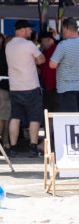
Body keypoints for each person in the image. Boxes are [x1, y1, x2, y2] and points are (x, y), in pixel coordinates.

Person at [6, 20, 45, 157]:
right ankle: (33, 147)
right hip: (31, 86)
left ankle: (13, 148)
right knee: (34, 118)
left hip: (15, 87)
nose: (31, 31)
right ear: (22, 30)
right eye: (29, 29)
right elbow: (41, 59)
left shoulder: (8, 45)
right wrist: (34, 60)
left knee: (15, 117)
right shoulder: (29, 45)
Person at [50, 18, 79, 112]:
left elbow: (52, 65)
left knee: (69, 119)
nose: (63, 33)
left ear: (66, 28)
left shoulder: (63, 45)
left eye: (63, 30)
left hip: (66, 87)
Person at [38, 32, 58, 113]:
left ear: (50, 40)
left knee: (54, 109)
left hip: (55, 87)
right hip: (47, 86)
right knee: (48, 110)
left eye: (43, 41)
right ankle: (49, 125)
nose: (42, 44)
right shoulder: (44, 52)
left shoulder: (56, 50)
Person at [0, 33, 10, 148]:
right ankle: (5, 141)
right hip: (3, 87)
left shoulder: (5, 53)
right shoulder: (3, 53)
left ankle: (6, 140)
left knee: (6, 115)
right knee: (4, 115)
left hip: (8, 87)